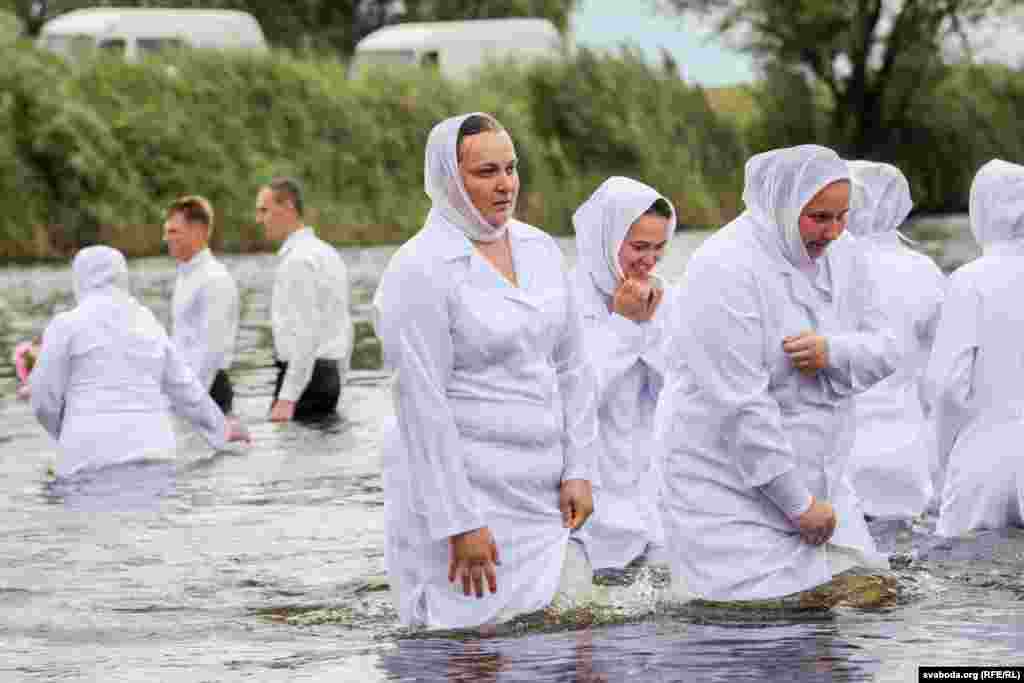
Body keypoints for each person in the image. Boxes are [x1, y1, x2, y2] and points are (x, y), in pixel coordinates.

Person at [373, 112, 599, 630]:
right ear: (449, 180)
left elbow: (573, 367)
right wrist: (459, 522)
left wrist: (580, 468)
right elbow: (421, 403)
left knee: (575, 630)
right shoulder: (419, 268)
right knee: (475, 646)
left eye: (511, 168)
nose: (505, 185)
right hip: (469, 498)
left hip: (545, 494)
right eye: (486, 172)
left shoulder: (540, 249)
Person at [657, 145, 898, 602]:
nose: (833, 231)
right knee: (756, 613)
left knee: (874, 594)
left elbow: (887, 347)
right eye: (819, 218)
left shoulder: (845, 253)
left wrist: (833, 352)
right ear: (784, 206)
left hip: (820, 475)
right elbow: (740, 405)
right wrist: (797, 504)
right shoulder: (724, 267)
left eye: (842, 216)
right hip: (724, 477)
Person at [30, 246, 248, 478]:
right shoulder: (147, 322)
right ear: (123, 277)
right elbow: (186, 389)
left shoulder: (66, 326)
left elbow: (43, 399)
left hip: (87, 459)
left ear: (78, 279)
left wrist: (66, 433)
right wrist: (222, 430)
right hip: (154, 452)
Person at [569, 176, 675, 572]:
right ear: (607, 239)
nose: (650, 260)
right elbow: (571, 399)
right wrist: (626, 325)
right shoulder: (565, 301)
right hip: (588, 508)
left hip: (650, 502)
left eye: (659, 247)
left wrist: (651, 328)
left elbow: (682, 394)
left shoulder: (664, 297)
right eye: (639, 247)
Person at [924, 159, 1024, 536]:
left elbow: (948, 387)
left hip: (985, 460)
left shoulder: (969, 281)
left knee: (960, 566)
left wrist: (943, 460)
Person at [844, 162, 947, 520]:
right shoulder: (924, 271)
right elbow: (942, 377)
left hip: (843, 456)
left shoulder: (824, 268)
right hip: (908, 454)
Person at [256, 177, 353, 422]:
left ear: (288, 207)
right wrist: (339, 379)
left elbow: (305, 333)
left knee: (289, 445)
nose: (259, 219)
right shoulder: (328, 253)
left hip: (303, 381)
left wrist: (287, 397)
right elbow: (345, 326)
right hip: (328, 377)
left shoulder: (297, 260)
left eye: (264, 210)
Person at [164, 195, 240, 414]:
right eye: (166, 232)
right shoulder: (185, 275)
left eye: (173, 232)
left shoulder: (214, 278)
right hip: (188, 387)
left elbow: (211, 350)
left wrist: (191, 402)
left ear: (197, 232)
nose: (166, 238)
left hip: (207, 390)